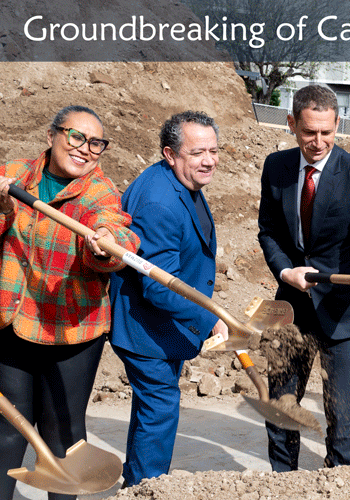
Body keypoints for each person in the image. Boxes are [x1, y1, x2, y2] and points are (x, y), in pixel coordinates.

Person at [0, 105, 138, 500]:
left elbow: (117, 233)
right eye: (76, 137)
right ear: (51, 136)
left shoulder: (101, 192)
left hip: (71, 329)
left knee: (63, 430)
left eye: (96, 143)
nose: (85, 149)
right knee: (4, 423)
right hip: (8, 318)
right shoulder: (13, 176)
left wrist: (105, 243)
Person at [257, 85, 350, 471]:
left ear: (338, 124)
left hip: (345, 310)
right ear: (291, 123)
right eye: (309, 132)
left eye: (327, 131)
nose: (319, 141)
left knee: (342, 417)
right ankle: (282, 482)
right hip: (292, 307)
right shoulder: (276, 167)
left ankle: (337, 482)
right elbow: (268, 231)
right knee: (281, 407)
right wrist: (285, 270)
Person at [109, 111, 227, 486]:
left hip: (163, 323)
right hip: (146, 327)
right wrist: (210, 317)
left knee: (152, 409)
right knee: (160, 408)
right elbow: (159, 285)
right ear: (170, 154)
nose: (208, 160)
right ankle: (148, 486)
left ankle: (136, 482)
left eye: (213, 150)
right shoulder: (159, 202)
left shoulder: (179, 181)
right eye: (197, 153)